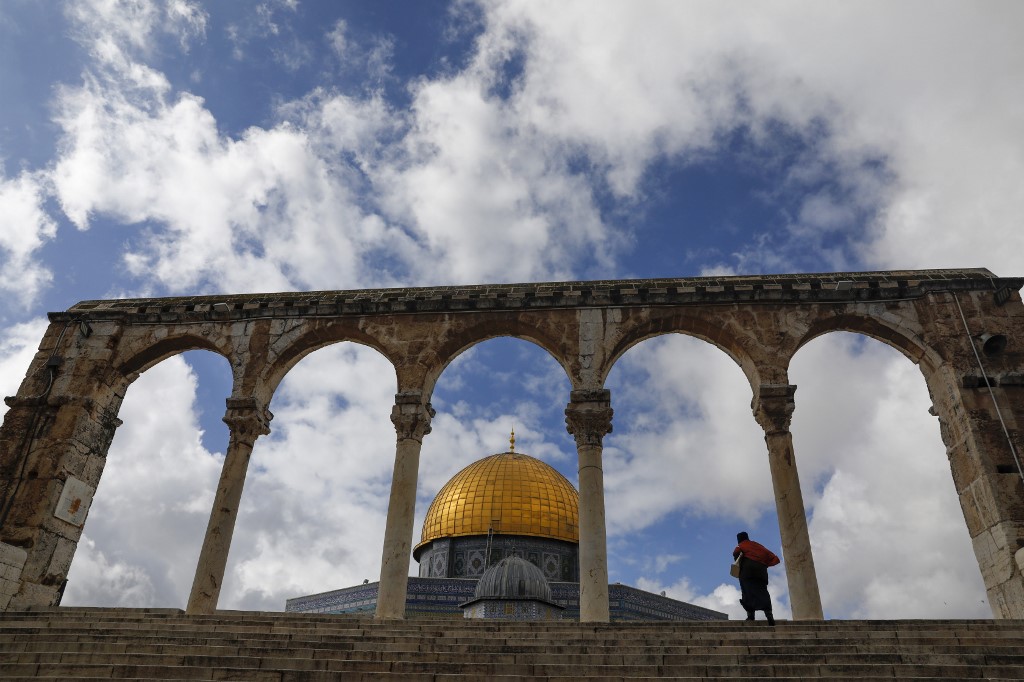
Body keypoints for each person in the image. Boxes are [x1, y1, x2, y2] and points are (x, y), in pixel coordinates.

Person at [732, 531, 780, 625]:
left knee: (747, 592)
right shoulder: (757, 545)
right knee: (763, 592)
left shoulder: (741, 545)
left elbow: (735, 553)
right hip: (761, 573)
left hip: (747, 572)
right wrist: (764, 564)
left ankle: (751, 617)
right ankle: (769, 615)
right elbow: (772, 557)